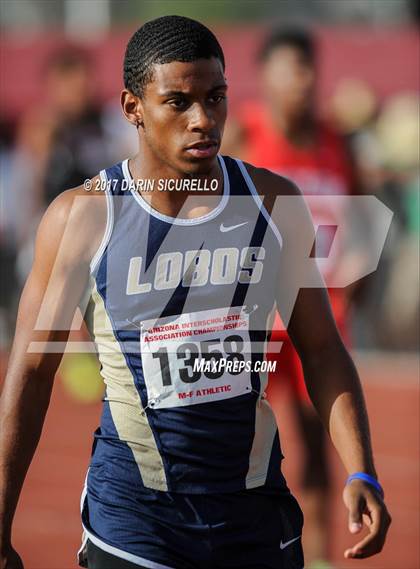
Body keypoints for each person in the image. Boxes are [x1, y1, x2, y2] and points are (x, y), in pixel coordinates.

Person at [0, 16, 391, 569]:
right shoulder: (82, 219)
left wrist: (361, 468)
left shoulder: (275, 204)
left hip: (254, 518)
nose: (203, 120)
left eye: (216, 97)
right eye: (177, 102)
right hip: (134, 524)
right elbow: (32, 371)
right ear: (133, 107)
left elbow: (323, 349)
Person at [222, 28, 360, 568]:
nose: (299, 81)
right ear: (266, 77)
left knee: (317, 440)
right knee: (232, 438)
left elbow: (364, 213)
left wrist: (352, 281)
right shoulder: (243, 136)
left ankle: (322, 556)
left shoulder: (336, 141)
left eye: (306, 69)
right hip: (250, 321)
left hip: (314, 315)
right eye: (287, 70)